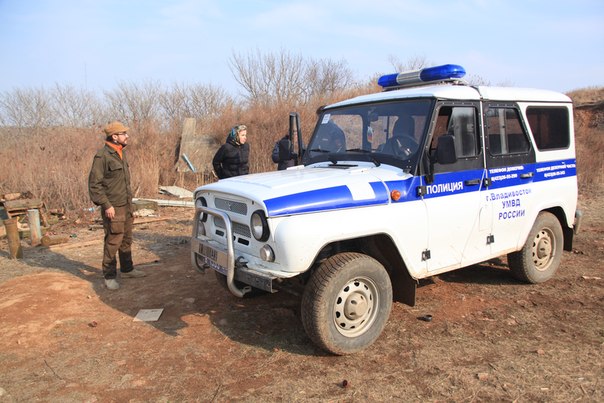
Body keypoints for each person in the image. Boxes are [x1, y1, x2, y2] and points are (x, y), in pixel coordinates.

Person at [88, 121, 146, 291]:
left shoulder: (120, 152)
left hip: (126, 204)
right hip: (113, 207)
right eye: (123, 133)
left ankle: (127, 269)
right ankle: (109, 276)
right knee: (113, 240)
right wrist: (106, 205)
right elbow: (94, 185)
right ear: (114, 136)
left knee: (126, 238)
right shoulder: (102, 156)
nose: (127, 136)